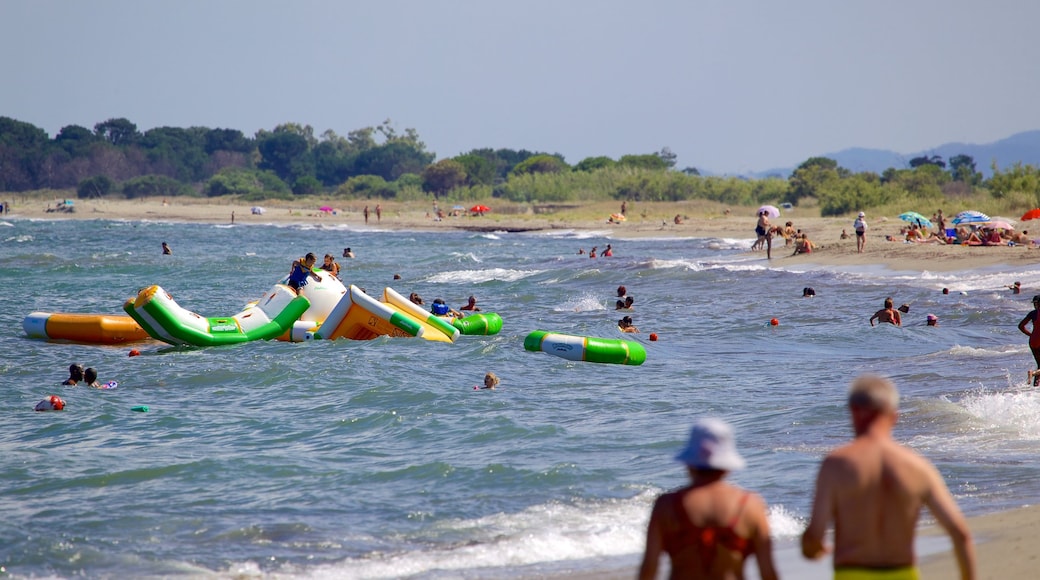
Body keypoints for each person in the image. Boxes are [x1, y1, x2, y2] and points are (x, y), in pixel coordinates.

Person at [801, 375, 975, 580]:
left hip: (852, 573)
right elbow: (960, 534)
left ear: (854, 412)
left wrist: (816, 549)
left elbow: (813, 538)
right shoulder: (917, 467)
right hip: (903, 573)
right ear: (894, 416)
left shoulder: (837, 465)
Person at [639, 418, 778, 580]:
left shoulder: (667, 505)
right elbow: (768, 572)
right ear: (727, 466)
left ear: (689, 463)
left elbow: (649, 568)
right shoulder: (750, 505)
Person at [1018, 295, 1040, 386]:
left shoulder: (1033, 313)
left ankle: (1035, 387)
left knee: (1039, 364)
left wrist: (1031, 335)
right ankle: (1033, 373)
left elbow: (1021, 326)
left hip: (1032, 341)